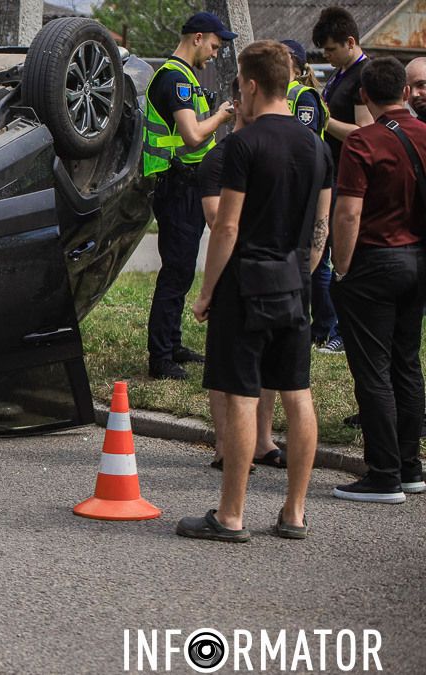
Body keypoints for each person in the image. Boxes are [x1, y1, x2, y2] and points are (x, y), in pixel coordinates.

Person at [177, 40, 333, 543]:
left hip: (246, 284)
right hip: (295, 285)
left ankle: (231, 515)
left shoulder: (244, 146)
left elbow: (226, 227)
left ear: (248, 84)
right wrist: (304, 273)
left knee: (243, 395)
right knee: (296, 392)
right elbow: (321, 228)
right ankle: (293, 513)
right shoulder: (318, 146)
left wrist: (206, 292)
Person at [330, 57, 426, 503]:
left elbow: (348, 211)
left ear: (364, 96)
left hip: (374, 261)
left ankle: (382, 474)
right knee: (407, 363)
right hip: (418, 261)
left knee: (373, 371)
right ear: (406, 92)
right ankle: (410, 466)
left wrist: (342, 267)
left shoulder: (362, 142)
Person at [198, 78, 287, 473]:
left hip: (273, 271)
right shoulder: (218, 158)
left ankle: (262, 440)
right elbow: (218, 220)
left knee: (269, 362)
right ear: (238, 101)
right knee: (225, 366)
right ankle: (224, 444)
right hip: (233, 270)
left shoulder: (269, 150)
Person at [143, 11, 236, 381]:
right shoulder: (174, 80)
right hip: (177, 184)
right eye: (214, 45)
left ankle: (173, 343)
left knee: (181, 271)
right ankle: (160, 357)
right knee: (176, 272)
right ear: (198, 38)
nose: (214, 53)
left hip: (188, 183)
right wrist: (222, 116)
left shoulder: (186, 78)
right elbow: (193, 136)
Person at [310, 6, 375, 355]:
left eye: (332, 50)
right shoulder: (341, 74)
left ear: (350, 42)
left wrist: (323, 120)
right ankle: (323, 326)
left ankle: (340, 330)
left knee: (337, 259)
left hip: (346, 179)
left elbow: (363, 133)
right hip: (329, 174)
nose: (329, 56)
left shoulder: (362, 76)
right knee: (322, 258)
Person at [282, 40, 328, 139]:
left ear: (297, 71)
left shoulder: (305, 96)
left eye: (282, 55)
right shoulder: (271, 93)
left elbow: (306, 142)